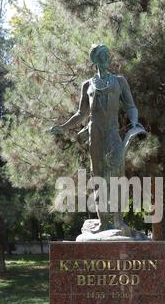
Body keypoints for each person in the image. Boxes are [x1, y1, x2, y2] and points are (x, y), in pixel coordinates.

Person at [49, 43, 146, 233]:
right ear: (95, 59)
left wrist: (134, 122)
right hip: (95, 133)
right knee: (98, 176)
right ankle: (102, 222)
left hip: (112, 132)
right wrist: (63, 127)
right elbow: (80, 114)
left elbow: (131, 106)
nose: (105, 58)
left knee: (117, 174)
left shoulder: (119, 81)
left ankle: (118, 221)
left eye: (107, 55)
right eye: (101, 55)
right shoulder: (88, 85)